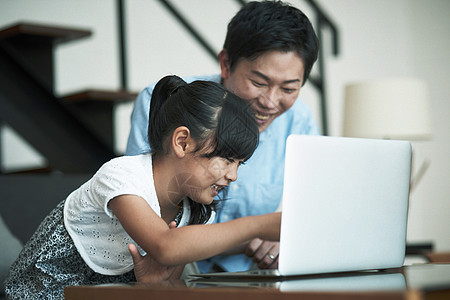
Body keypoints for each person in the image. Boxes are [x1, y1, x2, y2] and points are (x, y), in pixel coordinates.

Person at [4, 75, 281, 299]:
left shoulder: (196, 209)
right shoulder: (121, 176)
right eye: (226, 160)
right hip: (46, 289)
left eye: (239, 164)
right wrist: (259, 225)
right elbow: (165, 247)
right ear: (182, 142)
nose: (233, 175)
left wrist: (157, 287)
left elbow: (168, 278)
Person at [126, 0, 320, 273]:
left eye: (289, 88)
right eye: (259, 83)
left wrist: (283, 240)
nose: (270, 101)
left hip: (250, 271)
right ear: (226, 64)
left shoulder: (300, 122)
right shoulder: (169, 103)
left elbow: (311, 211)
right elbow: (147, 219)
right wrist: (260, 229)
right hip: (167, 267)